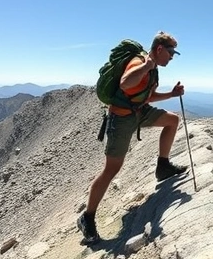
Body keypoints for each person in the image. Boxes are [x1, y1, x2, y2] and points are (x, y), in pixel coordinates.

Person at [77, 31, 187, 245]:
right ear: (159, 49)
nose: (172, 57)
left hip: (139, 111)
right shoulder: (140, 62)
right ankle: (87, 218)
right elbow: (126, 83)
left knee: (172, 120)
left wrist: (171, 95)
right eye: (171, 52)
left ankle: (162, 167)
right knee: (111, 169)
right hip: (121, 119)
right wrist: (146, 65)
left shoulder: (152, 68)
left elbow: (146, 95)